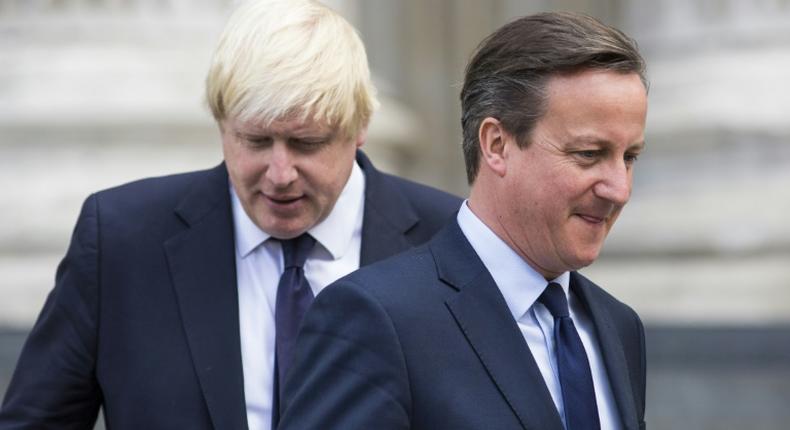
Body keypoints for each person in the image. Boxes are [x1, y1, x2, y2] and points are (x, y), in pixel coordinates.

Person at [0, 1, 460, 429]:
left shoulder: (448, 242)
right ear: (222, 123)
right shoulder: (121, 240)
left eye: (307, 143)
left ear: (360, 126)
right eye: (255, 141)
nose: (280, 174)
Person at [279, 11, 648, 430]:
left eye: (630, 157)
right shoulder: (377, 319)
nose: (618, 189)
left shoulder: (619, 328)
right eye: (589, 154)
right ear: (496, 145)